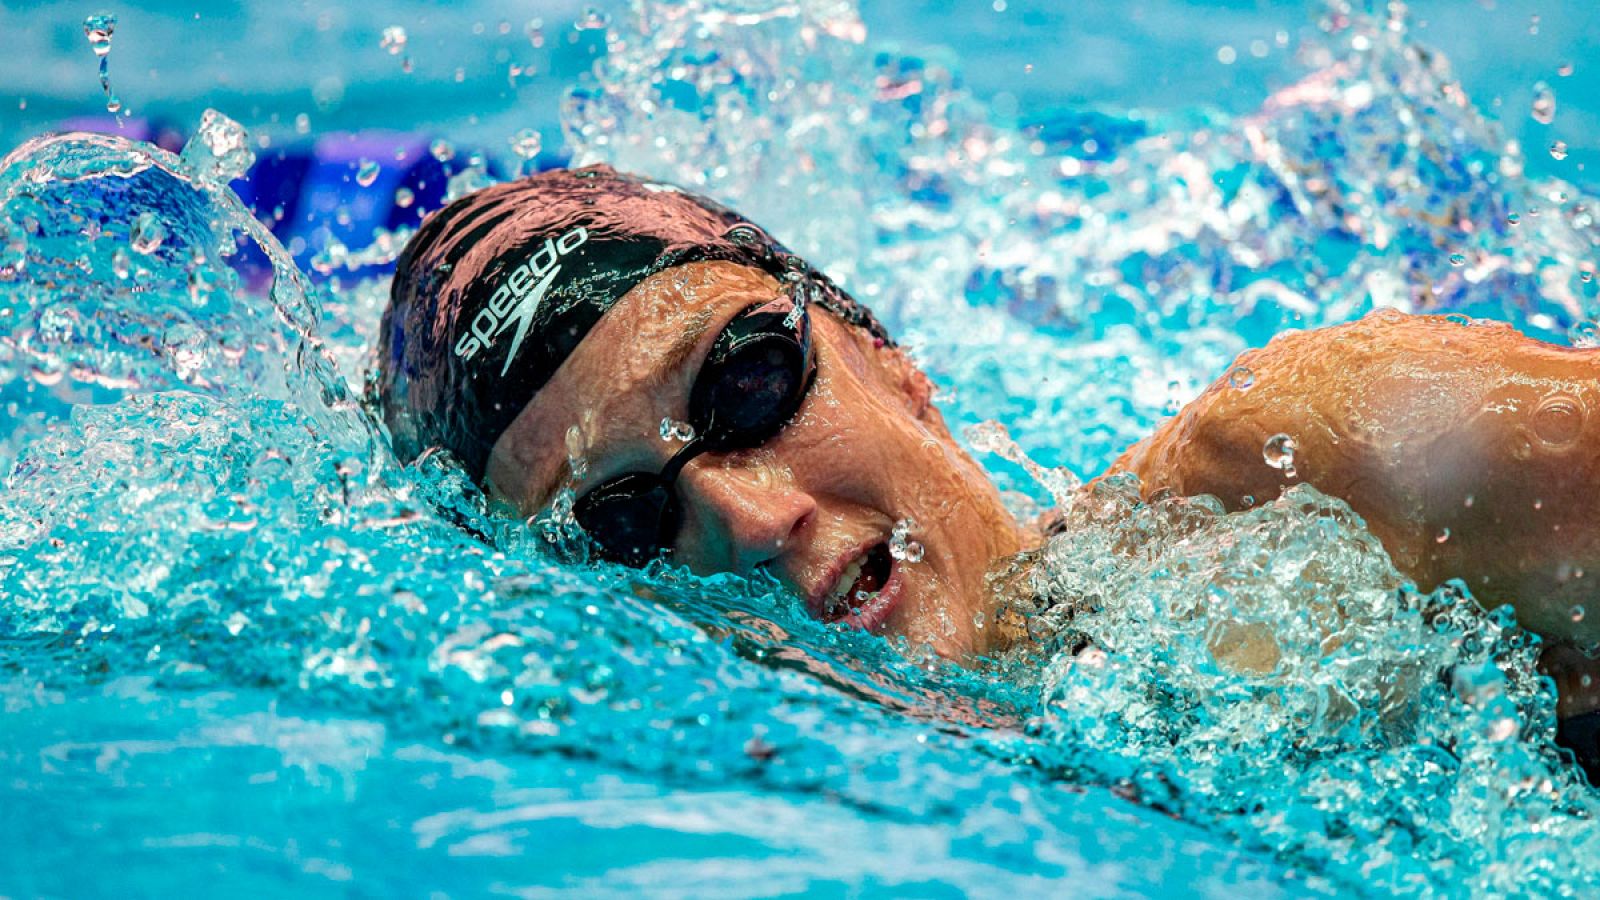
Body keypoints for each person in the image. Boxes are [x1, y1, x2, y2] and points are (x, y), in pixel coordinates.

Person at [375, 165, 1600, 767]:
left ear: (884, 352)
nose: (742, 520)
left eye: (744, 383)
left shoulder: (1309, 466)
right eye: (620, 521)